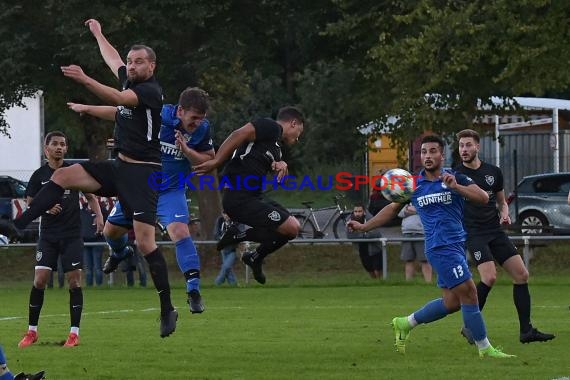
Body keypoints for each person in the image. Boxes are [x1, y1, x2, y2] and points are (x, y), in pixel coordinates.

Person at [13, 19, 178, 337]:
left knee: (145, 242)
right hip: (119, 167)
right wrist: (98, 34)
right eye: (130, 61)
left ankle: (167, 308)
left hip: (143, 174)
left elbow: (119, 102)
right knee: (63, 176)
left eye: (138, 61)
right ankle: (22, 225)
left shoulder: (150, 91)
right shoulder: (130, 80)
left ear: (152, 66)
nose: (131, 65)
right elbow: (113, 61)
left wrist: (85, 80)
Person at [348, 134, 515, 358]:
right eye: (423, 152)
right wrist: (364, 226)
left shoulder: (454, 177)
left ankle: (405, 323)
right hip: (439, 248)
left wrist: (456, 187)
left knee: (452, 302)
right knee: (471, 294)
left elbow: (483, 197)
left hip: (456, 246)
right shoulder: (413, 185)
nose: (427, 156)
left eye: (432, 151)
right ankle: (485, 349)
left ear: (442, 154)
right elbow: (391, 209)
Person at [96, 86, 213, 313]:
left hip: (171, 191)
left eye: (202, 118)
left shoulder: (202, 130)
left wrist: (187, 150)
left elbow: (209, 160)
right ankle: (120, 253)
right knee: (110, 233)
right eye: (194, 118)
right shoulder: (158, 114)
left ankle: (194, 291)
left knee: (180, 232)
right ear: (180, 111)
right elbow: (121, 115)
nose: (198, 122)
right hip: (141, 188)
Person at [455, 128, 555, 344]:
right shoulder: (456, 175)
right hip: (475, 233)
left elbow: (501, 201)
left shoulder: (493, 172)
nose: (464, 149)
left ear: (477, 147)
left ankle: (526, 331)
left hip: (495, 231)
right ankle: (470, 326)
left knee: (521, 275)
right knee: (489, 277)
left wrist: (505, 214)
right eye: (461, 145)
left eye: (468, 145)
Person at [193, 106, 305, 284]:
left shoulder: (275, 146)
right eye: (299, 132)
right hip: (239, 197)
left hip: (253, 197)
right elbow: (239, 133)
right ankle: (240, 232)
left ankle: (254, 257)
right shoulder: (271, 127)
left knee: (293, 228)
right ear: (293, 123)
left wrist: (279, 165)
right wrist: (217, 160)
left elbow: (259, 162)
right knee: (290, 227)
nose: (298, 138)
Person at [18, 131, 103, 349]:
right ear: (46, 149)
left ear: (66, 149)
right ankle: (31, 332)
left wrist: (99, 216)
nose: (59, 147)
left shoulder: (74, 172)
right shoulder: (39, 175)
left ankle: (74, 334)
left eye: (62, 144)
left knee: (74, 281)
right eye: (54, 144)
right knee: (40, 280)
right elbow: (30, 202)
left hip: (72, 235)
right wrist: (45, 207)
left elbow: (91, 195)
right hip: (48, 236)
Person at [397, 202, 432, 282]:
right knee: (408, 259)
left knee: (425, 260)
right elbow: (400, 213)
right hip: (407, 233)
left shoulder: (425, 200)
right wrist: (413, 211)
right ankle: (408, 282)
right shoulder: (406, 202)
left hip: (421, 233)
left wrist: (415, 210)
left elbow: (428, 212)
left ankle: (428, 282)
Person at [346, 205, 383, 279]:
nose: (357, 213)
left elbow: (376, 234)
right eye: (355, 211)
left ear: (364, 212)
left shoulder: (371, 219)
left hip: (375, 249)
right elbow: (350, 236)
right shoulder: (349, 221)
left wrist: (360, 232)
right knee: (369, 269)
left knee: (377, 269)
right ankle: (374, 284)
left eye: (360, 211)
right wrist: (364, 233)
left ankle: (380, 283)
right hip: (362, 249)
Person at [80, 196, 107, 286]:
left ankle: (99, 286)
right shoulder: (82, 211)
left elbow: (107, 223)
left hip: (97, 242)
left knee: (97, 267)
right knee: (88, 267)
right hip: (85, 243)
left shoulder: (102, 210)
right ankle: (89, 286)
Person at [213, 212, 241, 286]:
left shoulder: (236, 221)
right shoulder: (220, 220)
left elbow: (240, 233)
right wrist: (221, 239)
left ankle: (218, 282)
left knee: (226, 266)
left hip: (233, 249)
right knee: (228, 268)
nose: (226, 215)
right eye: (225, 214)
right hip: (223, 248)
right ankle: (233, 284)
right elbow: (216, 233)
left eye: (228, 213)